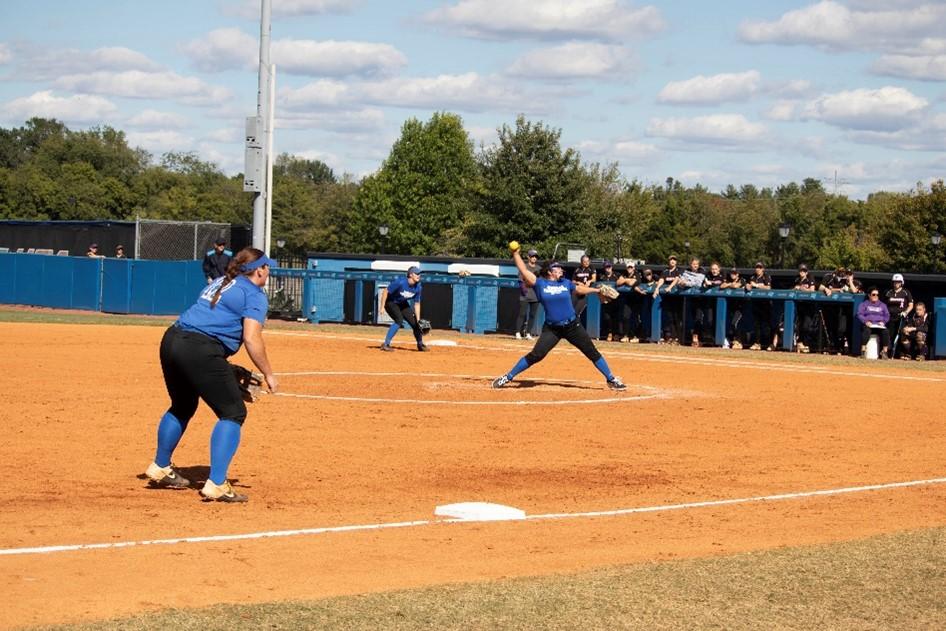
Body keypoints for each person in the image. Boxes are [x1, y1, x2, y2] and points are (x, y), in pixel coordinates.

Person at [144, 247, 278, 503]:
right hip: (199, 349)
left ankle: (160, 467)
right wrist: (268, 373)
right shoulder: (254, 294)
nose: (268, 271)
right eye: (267, 267)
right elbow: (251, 338)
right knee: (233, 412)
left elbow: (207, 323)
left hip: (172, 340)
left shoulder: (223, 280)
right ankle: (216, 483)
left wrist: (222, 366)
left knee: (182, 404)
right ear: (258, 270)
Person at [492, 246, 626, 390]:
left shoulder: (566, 283)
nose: (561, 270)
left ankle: (611, 379)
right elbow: (524, 270)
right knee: (536, 355)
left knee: (591, 352)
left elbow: (579, 289)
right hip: (552, 329)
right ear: (550, 271)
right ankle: (508, 377)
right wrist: (515, 253)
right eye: (558, 268)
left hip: (572, 326)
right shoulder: (540, 283)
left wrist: (597, 290)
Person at [379, 266, 428, 352]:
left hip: (402, 304)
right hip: (390, 302)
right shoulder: (400, 282)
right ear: (411, 275)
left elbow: (417, 304)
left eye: (419, 274)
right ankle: (386, 344)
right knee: (399, 320)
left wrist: (418, 319)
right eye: (417, 273)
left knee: (415, 324)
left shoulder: (418, 287)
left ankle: (420, 345)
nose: (419, 275)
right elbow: (385, 291)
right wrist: (382, 307)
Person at [819, 266, 862, 353]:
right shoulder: (841, 282)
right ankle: (840, 348)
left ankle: (852, 349)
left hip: (854, 311)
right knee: (841, 329)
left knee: (852, 330)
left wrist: (850, 281)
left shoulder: (857, 282)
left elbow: (854, 291)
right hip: (843, 310)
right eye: (847, 274)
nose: (848, 276)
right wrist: (833, 289)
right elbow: (834, 289)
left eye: (850, 274)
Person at [653, 255, 683, 343]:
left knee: (677, 318)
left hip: (677, 297)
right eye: (671, 260)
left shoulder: (678, 270)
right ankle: (672, 337)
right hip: (668, 298)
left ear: (676, 262)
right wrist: (657, 288)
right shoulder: (665, 271)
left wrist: (670, 287)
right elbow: (661, 280)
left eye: (674, 260)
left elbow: (677, 279)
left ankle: (678, 338)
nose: (672, 261)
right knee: (670, 318)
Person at [884, 273, 913, 358]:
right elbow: (884, 305)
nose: (896, 283)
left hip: (901, 317)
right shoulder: (889, 292)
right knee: (891, 334)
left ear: (901, 282)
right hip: (890, 317)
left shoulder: (905, 292)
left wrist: (905, 312)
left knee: (901, 334)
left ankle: (905, 353)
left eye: (898, 282)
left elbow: (911, 305)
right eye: (895, 282)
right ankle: (889, 353)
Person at [745, 262, 773, 350]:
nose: (758, 269)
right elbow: (748, 285)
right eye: (757, 267)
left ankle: (770, 344)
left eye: (760, 267)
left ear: (763, 269)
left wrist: (756, 285)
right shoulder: (753, 277)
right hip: (756, 303)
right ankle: (757, 343)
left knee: (766, 325)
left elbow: (768, 288)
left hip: (765, 304)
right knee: (756, 324)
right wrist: (748, 286)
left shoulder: (766, 276)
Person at [857, 287, 890, 359]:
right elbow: (859, 314)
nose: (876, 296)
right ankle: (863, 351)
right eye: (873, 294)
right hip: (868, 325)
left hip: (879, 326)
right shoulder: (864, 304)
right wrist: (865, 321)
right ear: (869, 295)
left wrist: (883, 322)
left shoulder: (883, 305)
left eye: (877, 295)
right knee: (866, 330)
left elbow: (887, 315)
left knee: (886, 331)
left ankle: (884, 352)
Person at [515, 249, 541, 340]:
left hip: (535, 295)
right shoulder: (524, 267)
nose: (534, 258)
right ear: (528, 257)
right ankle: (518, 332)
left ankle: (528, 333)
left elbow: (541, 282)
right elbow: (520, 280)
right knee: (522, 314)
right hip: (525, 295)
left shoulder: (539, 269)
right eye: (532, 256)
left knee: (533, 315)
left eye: (535, 257)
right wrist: (524, 290)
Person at [792, 264, 818, 352]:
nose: (802, 272)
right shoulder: (797, 279)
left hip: (809, 304)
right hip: (799, 304)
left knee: (807, 325)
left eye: (804, 271)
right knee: (800, 324)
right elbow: (793, 290)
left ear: (807, 272)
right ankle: (800, 343)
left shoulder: (810, 278)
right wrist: (796, 288)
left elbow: (812, 290)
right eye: (801, 270)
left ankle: (804, 343)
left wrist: (802, 289)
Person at [720, 267, 745, 349]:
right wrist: (729, 284)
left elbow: (736, 286)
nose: (732, 275)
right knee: (729, 324)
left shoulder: (742, 279)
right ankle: (732, 341)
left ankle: (739, 341)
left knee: (735, 323)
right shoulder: (728, 279)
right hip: (731, 306)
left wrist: (730, 285)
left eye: (734, 273)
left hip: (740, 307)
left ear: (737, 274)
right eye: (731, 273)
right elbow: (722, 286)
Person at [598, 261, 622, 341]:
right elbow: (597, 285)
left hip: (616, 299)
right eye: (606, 267)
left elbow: (622, 280)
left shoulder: (616, 275)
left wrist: (617, 284)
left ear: (611, 267)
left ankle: (616, 334)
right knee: (607, 318)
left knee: (616, 317)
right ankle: (609, 333)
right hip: (606, 301)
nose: (608, 269)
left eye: (609, 267)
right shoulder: (602, 276)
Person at [617, 262, 641, 342]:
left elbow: (631, 283)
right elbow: (618, 282)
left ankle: (635, 336)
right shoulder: (624, 273)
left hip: (636, 299)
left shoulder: (637, 274)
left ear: (634, 268)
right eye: (628, 267)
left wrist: (625, 280)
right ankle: (626, 335)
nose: (629, 269)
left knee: (634, 318)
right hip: (627, 300)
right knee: (625, 316)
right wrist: (627, 280)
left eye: (631, 267)